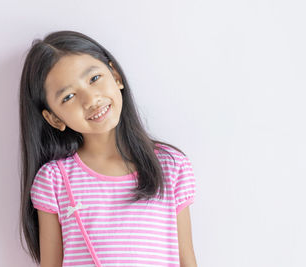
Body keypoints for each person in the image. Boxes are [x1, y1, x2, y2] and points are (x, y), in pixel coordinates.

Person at [19, 30, 198, 267]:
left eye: (94, 79)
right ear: (54, 119)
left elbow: (186, 259)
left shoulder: (170, 166)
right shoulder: (54, 180)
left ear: (115, 76)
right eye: (69, 96)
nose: (90, 99)